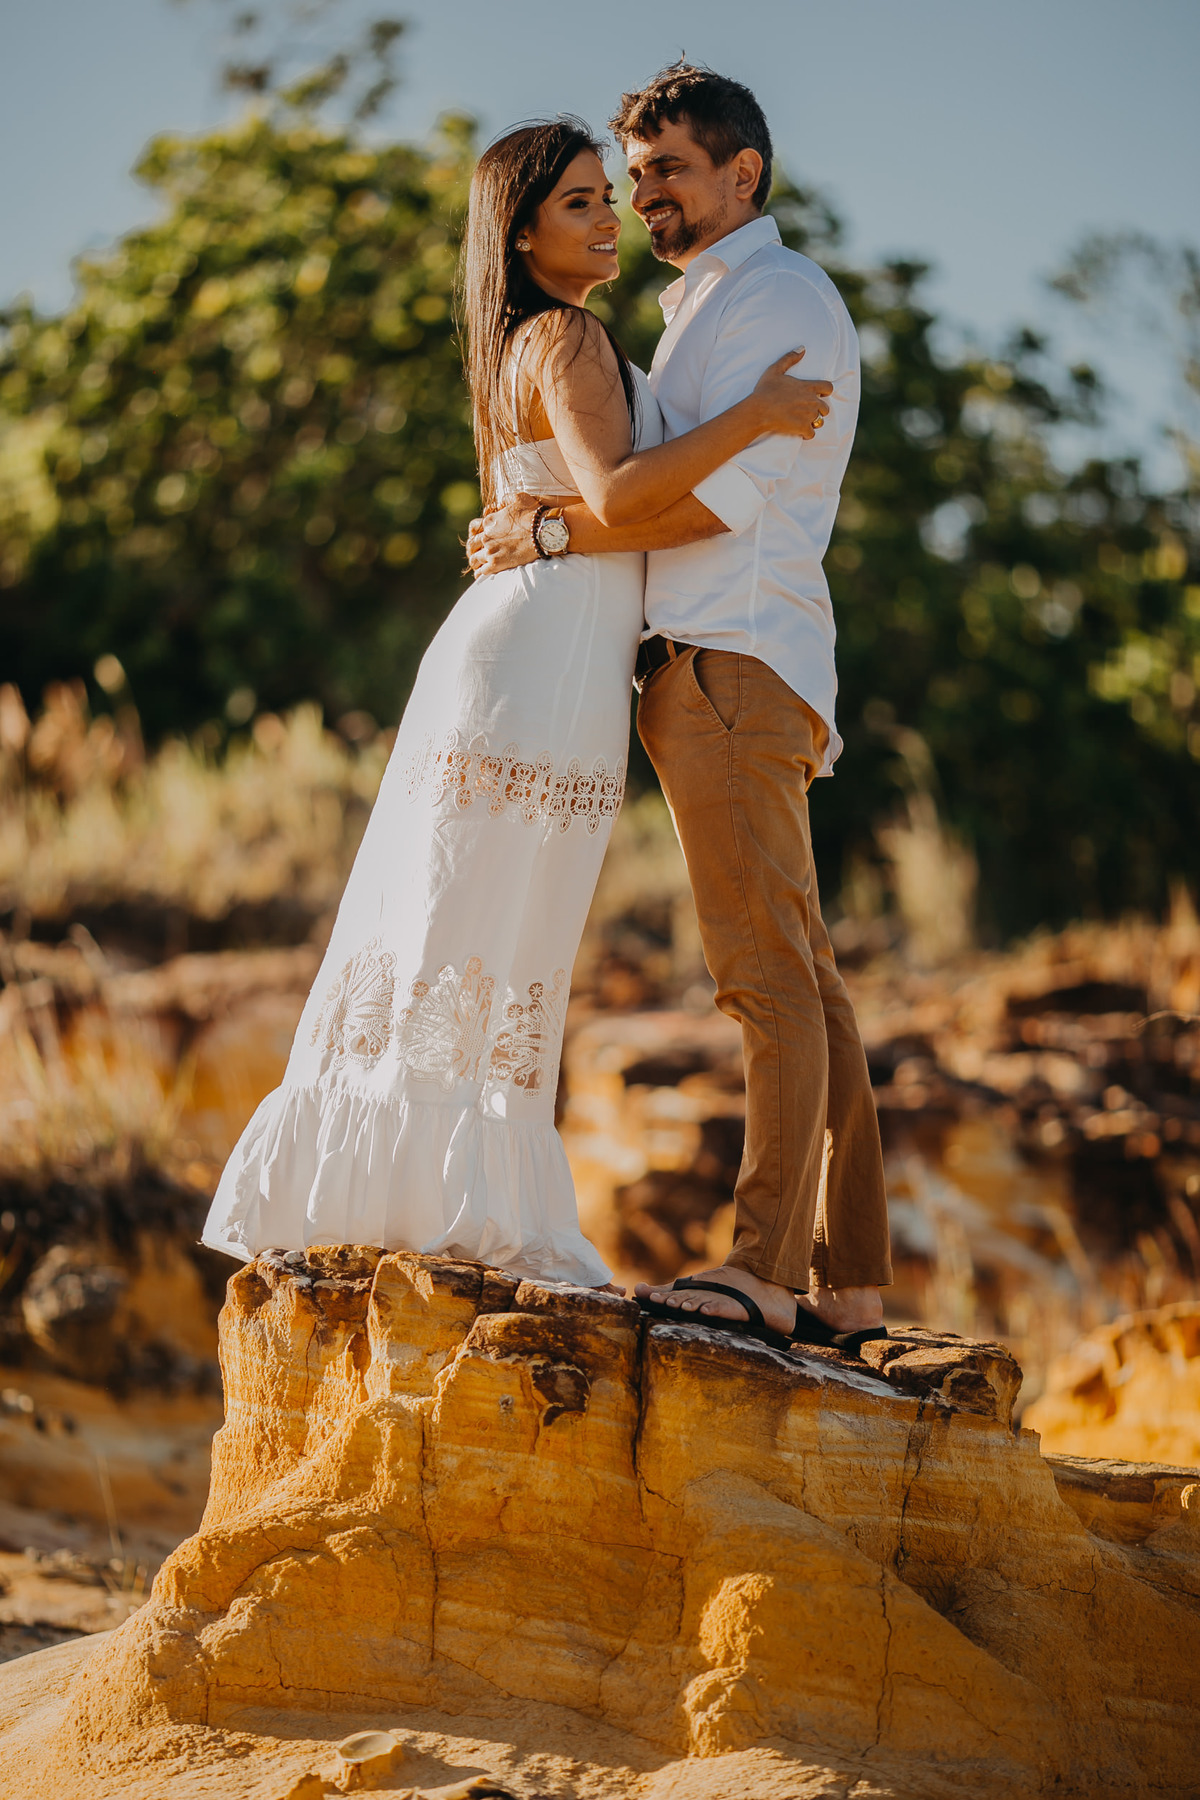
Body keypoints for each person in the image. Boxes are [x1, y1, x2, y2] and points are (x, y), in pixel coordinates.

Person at [202, 116, 830, 1288]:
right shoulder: (571, 336)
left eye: (612, 195)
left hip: (553, 651)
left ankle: (418, 1194)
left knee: (491, 920)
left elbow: (575, 505)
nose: (612, 219)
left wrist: (542, 526)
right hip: (538, 660)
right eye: (585, 202)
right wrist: (755, 421)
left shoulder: (532, 337)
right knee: (483, 915)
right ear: (525, 230)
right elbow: (624, 491)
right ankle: (433, 1206)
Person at [468, 66, 891, 1353]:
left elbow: (706, 505)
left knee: (763, 978)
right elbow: (664, 489)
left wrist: (543, 528)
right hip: (717, 666)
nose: (643, 195)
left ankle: (764, 1267)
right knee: (805, 983)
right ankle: (850, 1280)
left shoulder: (779, 300)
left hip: (730, 662)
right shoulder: (699, 308)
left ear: (742, 176)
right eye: (630, 177)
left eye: (666, 172)